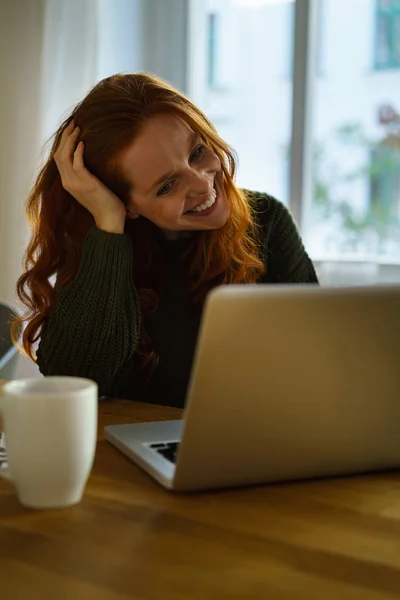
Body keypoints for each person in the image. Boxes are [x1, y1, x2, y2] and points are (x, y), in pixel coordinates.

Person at [14, 73, 318, 408]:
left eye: (197, 153)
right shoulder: (103, 246)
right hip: (139, 448)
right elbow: (71, 380)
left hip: (261, 442)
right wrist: (109, 224)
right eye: (167, 186)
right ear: (124, 202)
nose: (203, 185)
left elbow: (318, 358)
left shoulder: (266, 220)